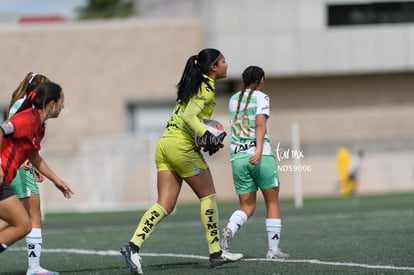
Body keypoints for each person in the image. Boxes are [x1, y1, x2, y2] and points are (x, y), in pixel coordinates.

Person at [120, 48, 243, 274]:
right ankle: (216, 253)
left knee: (164, 204)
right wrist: (206, 134)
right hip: (180, 147)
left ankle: (132, 246)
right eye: (223, 61)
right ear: (213, 67)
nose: (227, 64)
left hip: (165, 144)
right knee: (208, 196)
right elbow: (189, 118)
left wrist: (202, 137)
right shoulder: (205, 88)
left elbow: (186, 118)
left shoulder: (195, 86)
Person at [0, 82, 73, 268]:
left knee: (22, 223)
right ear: (50, 104)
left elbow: (33, 155)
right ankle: (35, 269)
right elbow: (1, 130)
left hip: (4, 184)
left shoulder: (39, 126)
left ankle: (35, 269)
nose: (63, 106)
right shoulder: (28, 119)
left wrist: (56, 180)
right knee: (23, 224)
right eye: (61, 102)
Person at [220, 66, 289, 259]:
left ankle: (230, 230)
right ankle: (273, 250)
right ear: (261, 79)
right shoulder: (262, 97)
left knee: (247, 207)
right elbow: (260, 124)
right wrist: (258, 150)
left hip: (238, 158)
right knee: (272, 201)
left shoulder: (233, 99)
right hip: (259, 156)